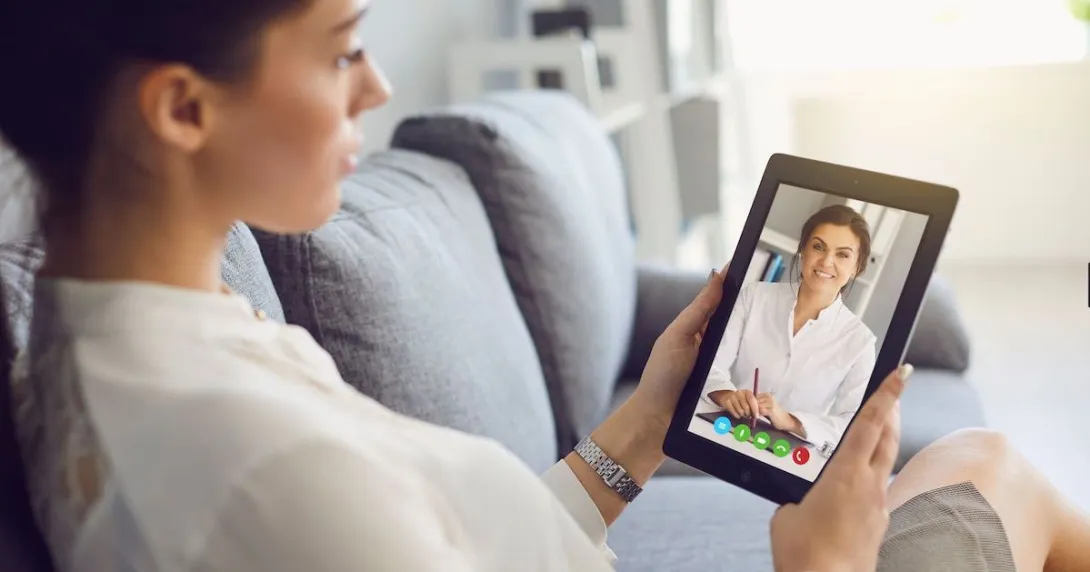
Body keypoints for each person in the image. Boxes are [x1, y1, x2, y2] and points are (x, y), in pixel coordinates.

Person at [1, 1, 1087, 571]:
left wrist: (647, 423)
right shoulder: (251, 464)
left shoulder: (128, 330)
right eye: (340, 50)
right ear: (183, 109)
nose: (377, 85)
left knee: (975, 460)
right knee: (991, 466)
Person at [702, 205, 878, 453]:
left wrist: (790, 420)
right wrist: (726, 395)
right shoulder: (754, 296)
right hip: (726, 429)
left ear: (857, 268)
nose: (826, 261)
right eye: (818, 246)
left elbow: (851, 424)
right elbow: (710, 364)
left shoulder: (861, 343)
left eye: (842, 255)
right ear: (803, 250)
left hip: (789, 454)